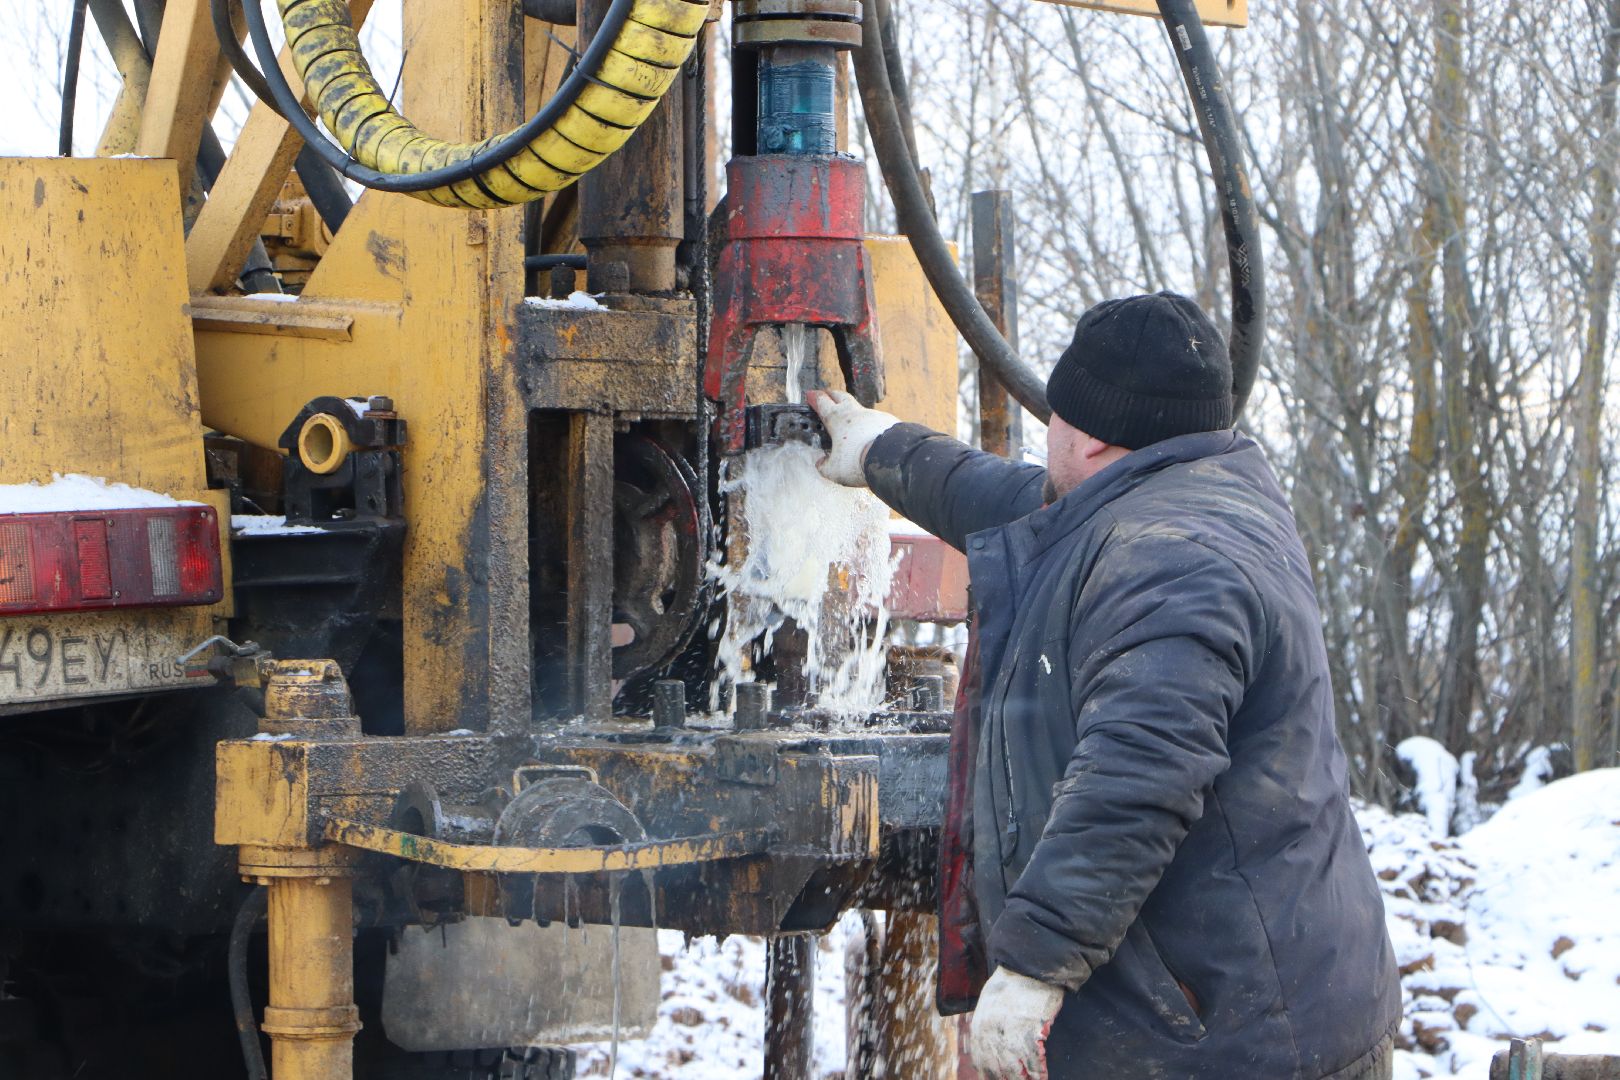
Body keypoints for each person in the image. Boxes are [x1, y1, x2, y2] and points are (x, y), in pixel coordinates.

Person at [808, 292, 1400, 1080]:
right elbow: (1010, 504)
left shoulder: (1172, 567)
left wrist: (1036, 961)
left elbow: (1137, 780)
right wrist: (881, 448)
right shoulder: (1194, 497)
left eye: (1056, 414)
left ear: (1088, 436)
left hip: (1232, 1042)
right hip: (1254, 1000)